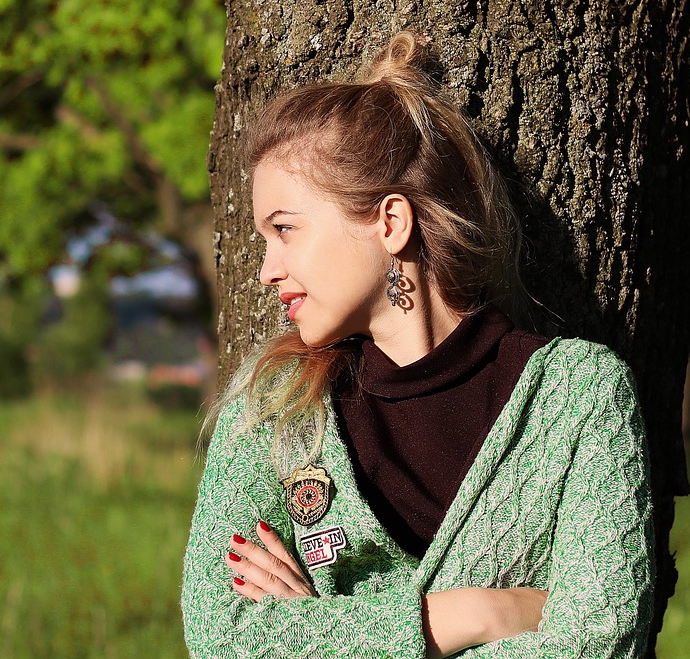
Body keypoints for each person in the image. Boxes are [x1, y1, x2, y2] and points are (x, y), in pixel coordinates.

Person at [180, 32, 654, 658]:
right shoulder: (278, 408)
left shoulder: (576, 396)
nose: (266, 268)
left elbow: (600, 640)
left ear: (391, 223)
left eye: (285, 230)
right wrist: (475, 613)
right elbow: (224, 638)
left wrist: (325, 630)